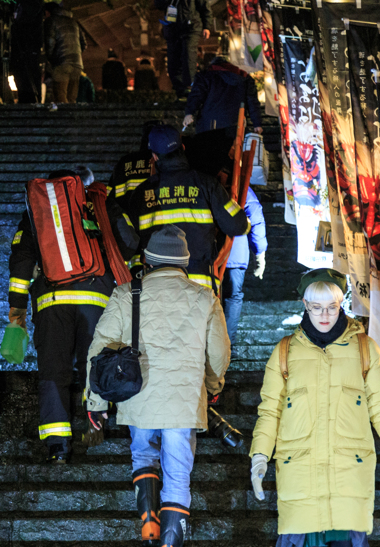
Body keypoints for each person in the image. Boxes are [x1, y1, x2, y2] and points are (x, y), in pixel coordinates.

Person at [85, 225, 230, 547]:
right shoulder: (205, 297)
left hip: (137, 395)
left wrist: (95, 402)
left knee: (142, 454)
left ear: (147, 262)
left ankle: (148, 518)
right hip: (184, 399)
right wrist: (212, 385)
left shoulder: (126, 293)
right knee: (178, 476)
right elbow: (219, 354)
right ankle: (169, 541)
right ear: (184, 264)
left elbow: (100, 350)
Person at [249, 268, 380, 547]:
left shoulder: (365, 350)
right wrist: (259, 456)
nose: (324, 315)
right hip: (299, 477)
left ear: (342, 305)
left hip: (349, 479)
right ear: (304, 306)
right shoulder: (284, 353)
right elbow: (270, 412)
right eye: (316, 308)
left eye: (332, 307)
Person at [9, 167, 139, 463]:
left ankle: (58, 446)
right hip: (97, 297)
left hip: (51, 300)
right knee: (92, 362)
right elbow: (129, 240)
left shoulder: (37, 209)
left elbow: (20, 261)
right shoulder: (100, 201)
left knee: (54, 370)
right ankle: (94, 424)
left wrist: (17, 309)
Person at [126, 124, 250, 291]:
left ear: (154, 157)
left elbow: (129, 242)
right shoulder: (206, 184)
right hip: (199, 287)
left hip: (156, 290)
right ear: (183, 148)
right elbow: (238, 225)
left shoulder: (141, 194)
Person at [153, 0, 212, 99]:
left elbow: (205, 7)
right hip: (172, 29)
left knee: (188, 56)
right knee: (173, 61)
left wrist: (207, 26)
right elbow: (158, 4)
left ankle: (190, 88)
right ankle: (180, 91)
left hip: (191, 27)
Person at [223, 186, 267, 343]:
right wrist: (259, 253)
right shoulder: (239, 184)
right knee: (232, 297)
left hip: (206, 251)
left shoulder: (201, 180)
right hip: (235, 250)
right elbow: (255, 215)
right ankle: (227, 347)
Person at [183, 56, 263, 138]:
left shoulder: (205, 76)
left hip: (209, 125)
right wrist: (257, 124)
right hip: (236, 127)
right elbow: (252, 102)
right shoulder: (245, 79)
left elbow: (196, 95)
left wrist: (189, 112)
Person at [108, 120, 160, 210]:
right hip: (156, 219)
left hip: (126, 220)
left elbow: (109, 195)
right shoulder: (161, 161)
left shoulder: (124, 161)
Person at [43, 1, 87, 107]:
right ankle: (72, 122)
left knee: (60, 97)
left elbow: (50, 43)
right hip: (77, 64)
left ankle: (64, 122)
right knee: (72, 98)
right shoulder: (74, 22)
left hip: (61, 63)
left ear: (48, 12)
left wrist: (50, 59)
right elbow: (84, 44)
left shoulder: (51, 21)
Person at [10, 0, 46, 104]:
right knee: (19, 71)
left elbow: (31, 14)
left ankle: (33, 97)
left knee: (32, 69)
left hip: (31, 41)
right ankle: (23, 97)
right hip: (18, 41)